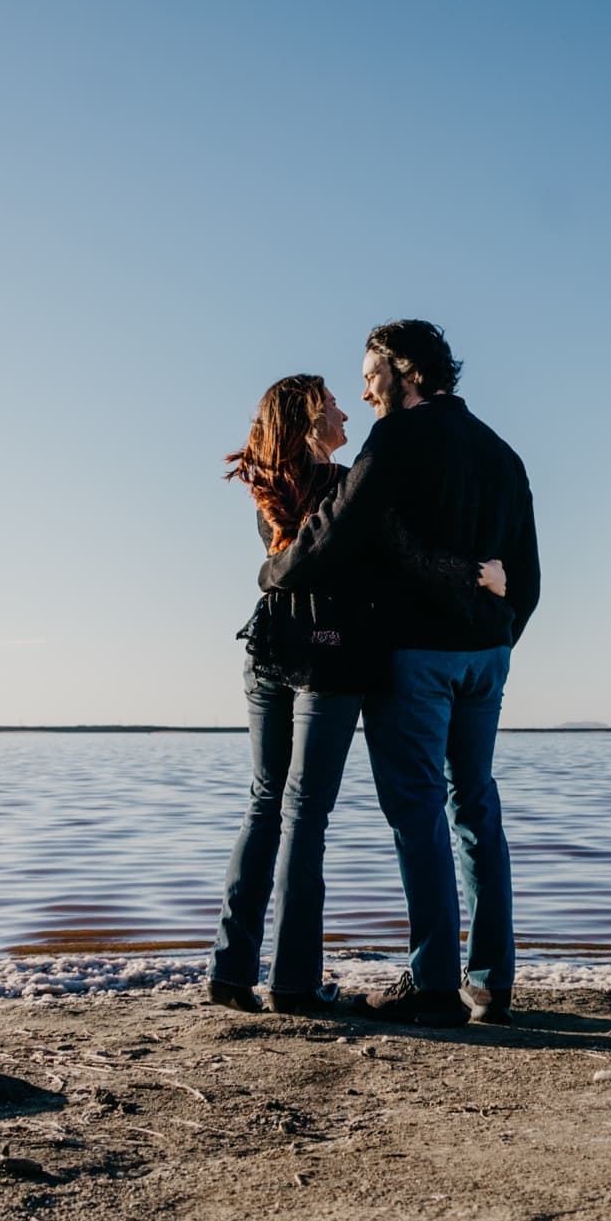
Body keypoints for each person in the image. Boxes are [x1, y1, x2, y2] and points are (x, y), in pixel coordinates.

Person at [260, 321, 540, 1027]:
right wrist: (498, 639)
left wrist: (274, 571)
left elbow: (334, 530)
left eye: (370, 376)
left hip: (417, 654)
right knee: (475, 805)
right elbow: (529, 577)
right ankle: (493, 983)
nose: (364, 391)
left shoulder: (395, 439)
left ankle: (435, 985)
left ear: (406, 370)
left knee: (418, 813)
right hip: (487, 656)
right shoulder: (502, 453)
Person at [207, 374, 505, 1015]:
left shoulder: (270, 485)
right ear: (311, 420)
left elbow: (296, 561)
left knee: (265, 804)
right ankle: (293, 984)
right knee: (304, 813)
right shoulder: (347, 487)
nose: (347, 412)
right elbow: (408, 556)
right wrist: (476, 573)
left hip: (267, 652)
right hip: (330, 658)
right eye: (334, 405)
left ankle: (230, 971)